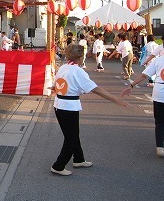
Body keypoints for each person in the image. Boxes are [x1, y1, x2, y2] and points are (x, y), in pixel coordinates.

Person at [50, 44, 130, 176]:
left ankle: (79, 159)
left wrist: (55, 88)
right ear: (81, 57)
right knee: (71, 138)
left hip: (59, 104)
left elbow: (55, 84)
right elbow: (96, 89)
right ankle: (58, 166)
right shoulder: (79, 71)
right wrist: (116, 100)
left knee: (72, 134)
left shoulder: (64, 67)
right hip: (69, 107)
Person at [122, 37, 164, 157]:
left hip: (160, 93)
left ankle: (160, 147)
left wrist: (131, 85)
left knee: (160, 122)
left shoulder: (159, 60)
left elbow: (144, 75)